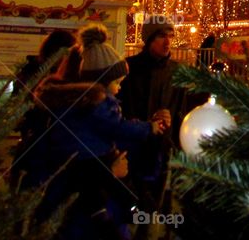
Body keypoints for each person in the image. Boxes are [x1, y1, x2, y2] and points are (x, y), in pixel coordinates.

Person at [33, 24, 165, 240]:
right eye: (117, 82)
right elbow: (55, 175)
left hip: (96, 200)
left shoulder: (72, 109)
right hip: (79, 220)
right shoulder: (87, 107)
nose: (119, 87)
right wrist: (111, 170)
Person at [118, 15, 197, 236]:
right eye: (162, 36)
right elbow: (121, 106)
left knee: (157, 209)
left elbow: (182, 110)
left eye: (170, 36)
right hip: (132, 150)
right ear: (149, 38)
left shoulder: (177, 72)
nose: (168, 41)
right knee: (132, 208)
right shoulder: (129, 68)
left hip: (163, 150)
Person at [11, 29, 76, 190]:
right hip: (46, 146)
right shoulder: (57, 80)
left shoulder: (28, 73)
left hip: (30, 143)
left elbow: (16, 108)